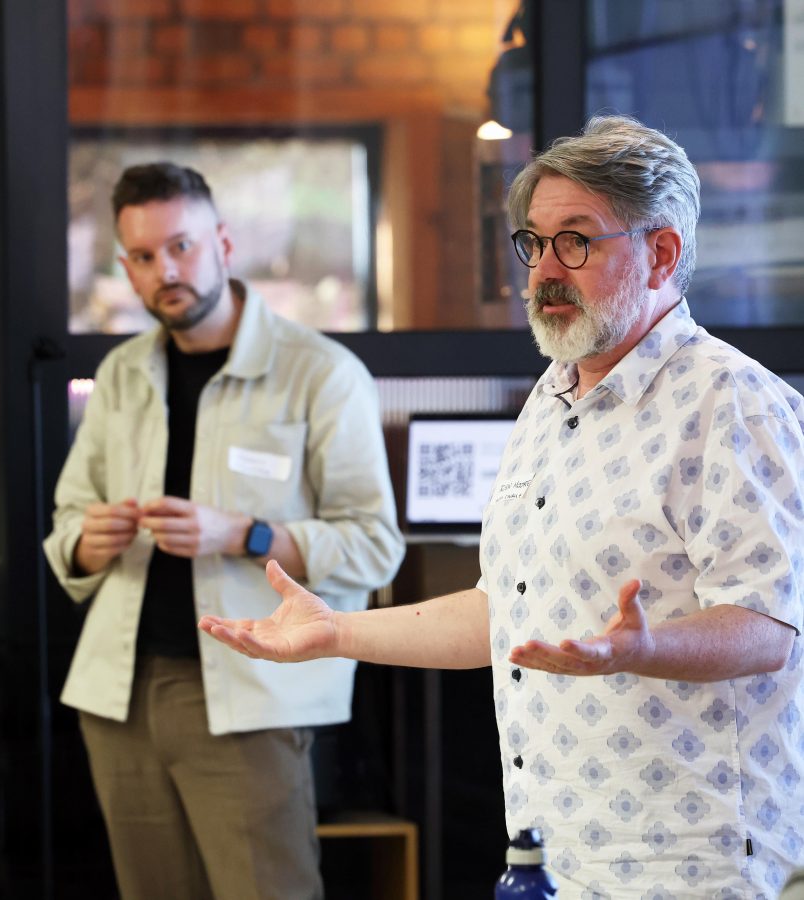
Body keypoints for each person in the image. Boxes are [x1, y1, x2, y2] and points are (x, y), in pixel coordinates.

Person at [200, 116, 804, 899]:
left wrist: (639, 649)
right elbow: (504, 612)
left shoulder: (733, 402)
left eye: (577, 241)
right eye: (534, 242)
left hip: (699, 858)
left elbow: (768, 628)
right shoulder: (549, 403)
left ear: (662, 254)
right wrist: (337, 632)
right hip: (557, 851)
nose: (545, 270)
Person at [43, 162, 404, 900]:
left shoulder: (320, 373)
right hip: (117, 693)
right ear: (125, 267)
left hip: (249, 691)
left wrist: (246, 533)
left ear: (225, 243)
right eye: (143, 257)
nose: (164, 271)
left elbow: (374, 544)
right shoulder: (119, 374)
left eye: (181, 247)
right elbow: (64, 530)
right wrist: (91, 539)